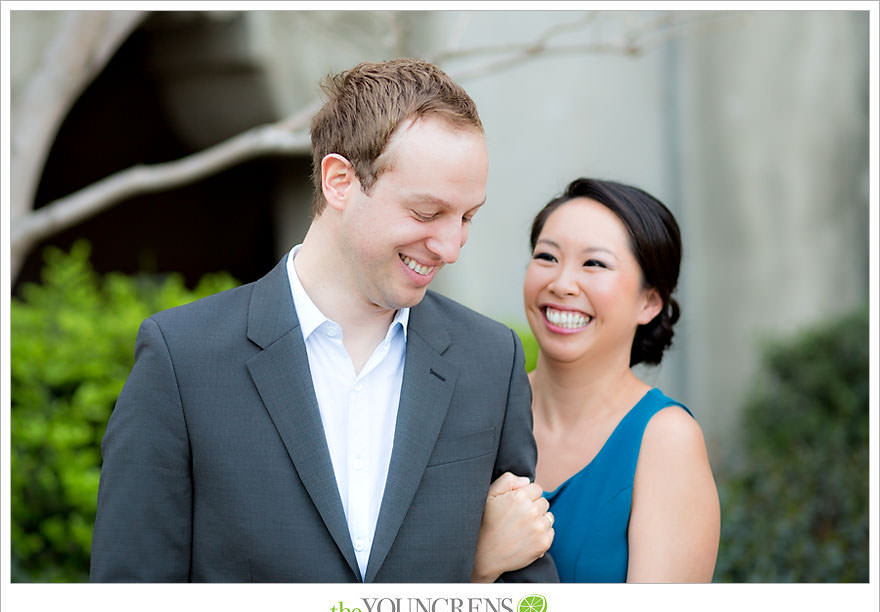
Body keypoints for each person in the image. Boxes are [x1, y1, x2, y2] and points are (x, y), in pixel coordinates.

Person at [90, 58, 558, 583]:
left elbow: (526, 588)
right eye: (427, 213)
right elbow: (129, 593)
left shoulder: (490, 359)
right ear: (339, 181)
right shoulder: (183, 358)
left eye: (467, 216)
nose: (451, 247)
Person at [471, 178, 720, 583]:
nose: (561, 284)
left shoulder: (665, 440)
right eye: (547, 257)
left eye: (594, 264)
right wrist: (482, 564)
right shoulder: (476, 409)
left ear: (649, 301)